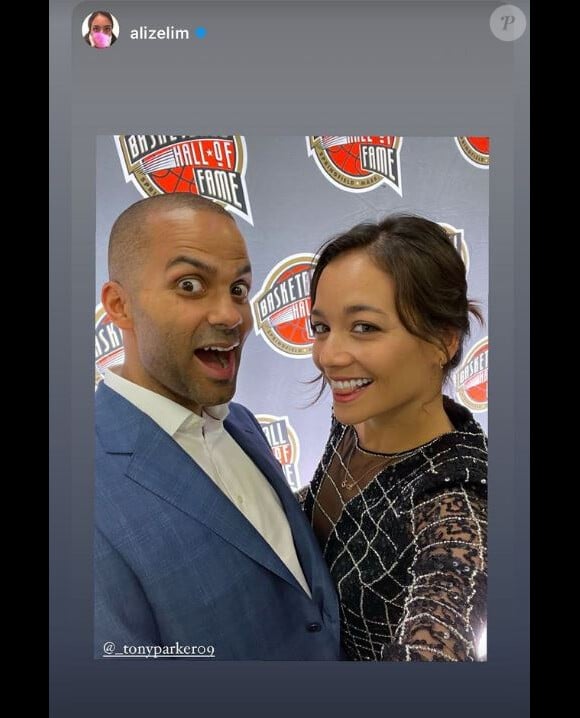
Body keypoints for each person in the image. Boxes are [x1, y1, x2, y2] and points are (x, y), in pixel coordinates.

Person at [95, 193, 341, 660]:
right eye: (189, 284)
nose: (231, 316)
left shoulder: (241, 424)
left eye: (238, 289)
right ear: (119, 306)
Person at [301, 214, 487, 661]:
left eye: (364, 327)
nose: (329, 356)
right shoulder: (358, 414)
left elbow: (439, 635)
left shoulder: (457, 503)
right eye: (322, 328)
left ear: (443, 340)